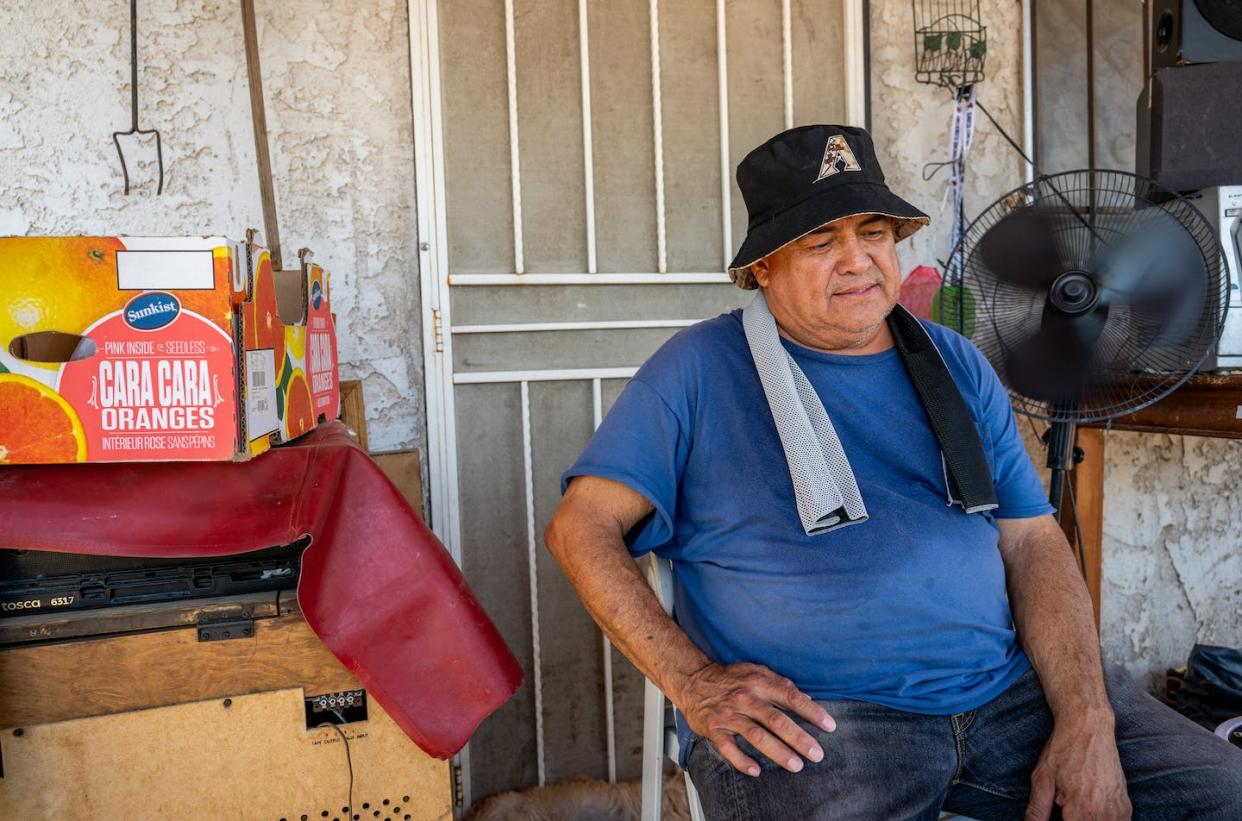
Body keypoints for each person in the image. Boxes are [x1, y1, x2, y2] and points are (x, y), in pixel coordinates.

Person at [544, 124, 1242, 820]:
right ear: (763, 267)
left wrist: (1086, 717)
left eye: (873, 233)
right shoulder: (697, 369)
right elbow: (581, 526)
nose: (857, 260)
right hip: (822, 721)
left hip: (1007, 694)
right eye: (821, 242)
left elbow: (1031, 540)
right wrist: (693, 681)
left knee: (1224, 795)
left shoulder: (955, 363)